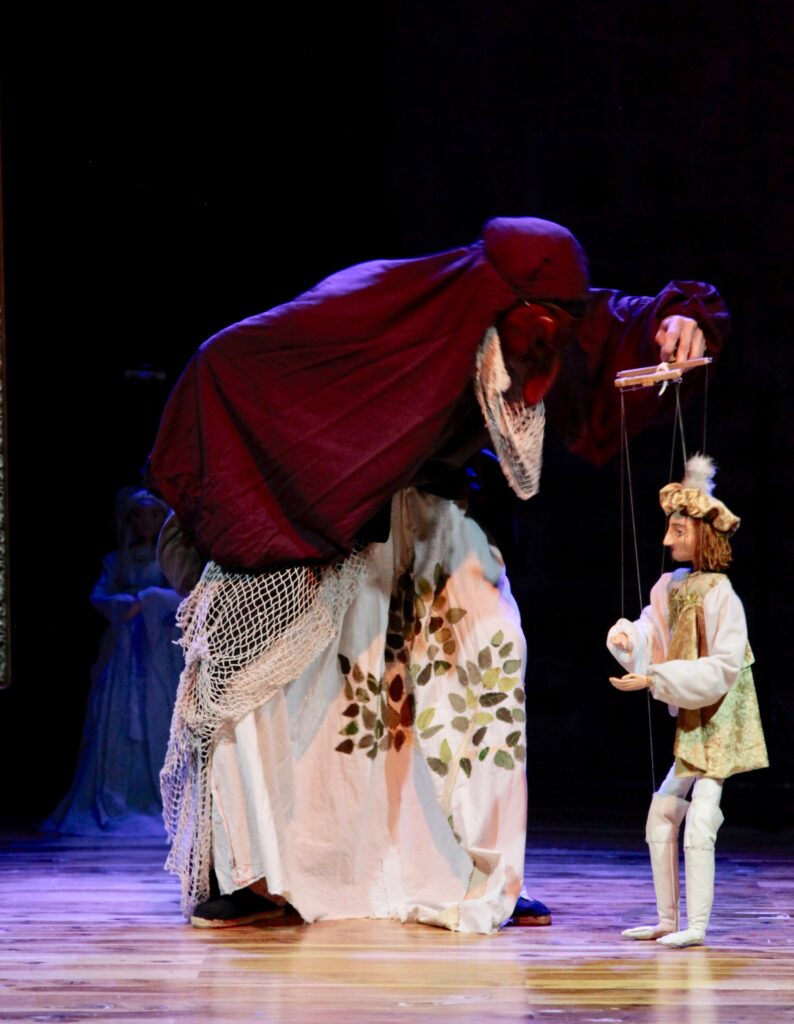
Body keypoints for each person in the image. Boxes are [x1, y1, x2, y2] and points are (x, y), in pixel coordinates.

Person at [147, 216, 729, 932]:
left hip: (438, 519)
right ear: (500, 305)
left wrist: (678, 321)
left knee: (490, 660)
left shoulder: (550, 323)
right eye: (537, 325)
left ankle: (482, 873)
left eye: (560, 324)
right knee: (286, 686)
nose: (548, 344)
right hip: (333, 519)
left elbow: (617, 324)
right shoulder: (385, 303)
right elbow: (237, 357)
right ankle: (253, 876)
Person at [607, 455, 768, 947]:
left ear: (701, 534)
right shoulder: (672, 585)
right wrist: (628, 639)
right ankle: (666, 918)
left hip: (719, 721)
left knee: (700, 819)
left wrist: (655, 677)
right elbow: (653, 629)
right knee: (662, 813)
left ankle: (695, 924)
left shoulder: (723, 595)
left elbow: (722, 669)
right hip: (693, 720)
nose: (667, 540)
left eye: (678, 531)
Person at [43, 488, 184, 836]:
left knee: (159, 711)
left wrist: (149, 599)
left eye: (153, 515)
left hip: (158, 649)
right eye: (139, 515)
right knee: (117, 716)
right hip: (124, 650)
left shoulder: (169, 558)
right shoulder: (117, 560)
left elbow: (183, 594)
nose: (146, 522)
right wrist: (124, 604)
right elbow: (99, 595)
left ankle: (163, 794)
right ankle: (118, 793)